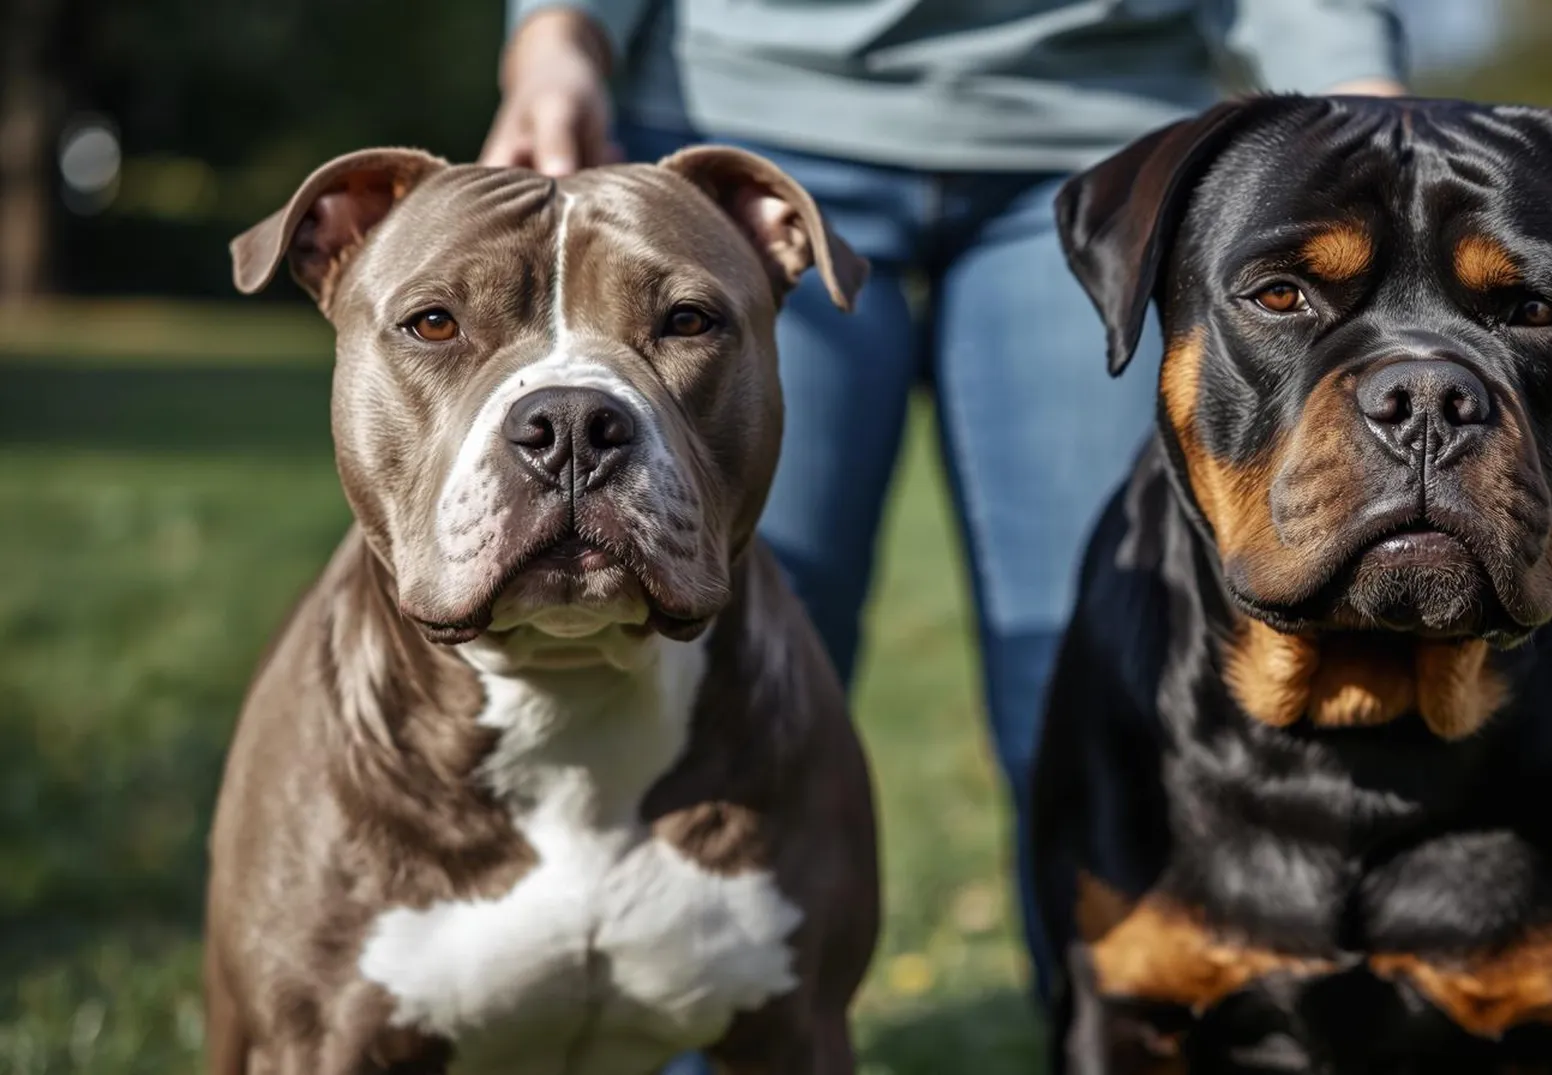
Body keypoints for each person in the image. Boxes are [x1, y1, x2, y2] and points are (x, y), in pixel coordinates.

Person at [483, 0, 1406, 1023]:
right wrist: (559, 37)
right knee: (706, 650)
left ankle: (1134, 1035)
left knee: (1106, 672)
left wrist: (1347, 78)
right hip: (736, 122)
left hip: (1101, 130)